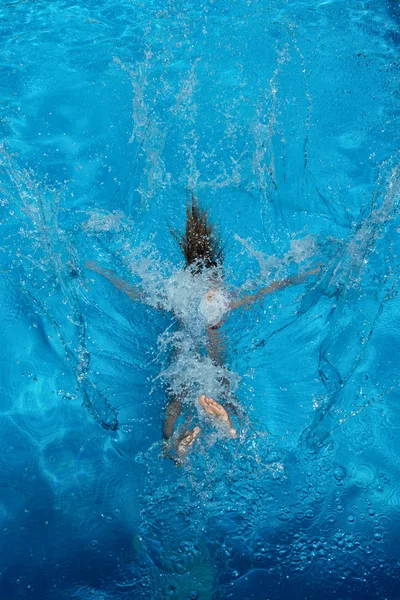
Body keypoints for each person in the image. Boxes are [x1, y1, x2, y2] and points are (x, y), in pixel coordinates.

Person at [86, 196, 320, 463]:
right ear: (218, 274)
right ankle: (229, 425)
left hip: (181, 356)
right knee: (225, 391)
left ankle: (172, 446)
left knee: (174, 403)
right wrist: (304, 274)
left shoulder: (177, 299)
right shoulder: (226, 300)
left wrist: (102, 271)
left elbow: (137, 293)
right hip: (213, 353)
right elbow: (267, 289)